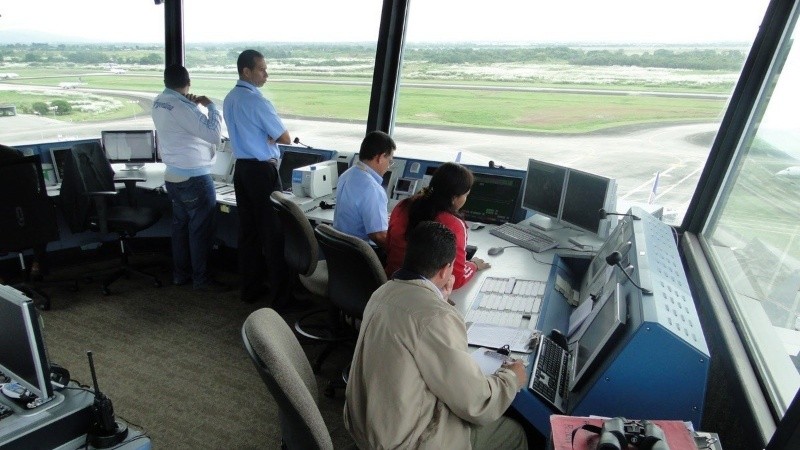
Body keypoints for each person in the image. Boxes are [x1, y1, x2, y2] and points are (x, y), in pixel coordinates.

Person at [344, 221, 528, 449]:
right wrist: (511, 379)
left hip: (370, 430)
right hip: (405, 442)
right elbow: (477, 404)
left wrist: (438, 299)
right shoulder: (434, 318)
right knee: (513, 432)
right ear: (445, 269)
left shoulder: (382, 292)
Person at [223, 49, 291, 304]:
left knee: (249, 233)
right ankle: (280, 298)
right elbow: (284, 137)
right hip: (262, 172)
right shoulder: (258, 101)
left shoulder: (230, 98)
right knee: (273, 234)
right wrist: (271, 136)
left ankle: (250, 290)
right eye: (262, 69)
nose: (266, 74)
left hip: (242, 170)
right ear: (246, 71)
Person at [151, 64, 226, 292]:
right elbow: (213, 134)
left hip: (173, 177)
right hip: (194, 178)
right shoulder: (183, 107)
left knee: (180, 228)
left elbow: (181, 127)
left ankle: (180, 275)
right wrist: (210, 106)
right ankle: (201, 280)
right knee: (199, 230)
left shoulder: (160, 101)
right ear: (188, 82)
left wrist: (191, 107)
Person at [384, 162, 490, 289]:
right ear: (454, 197)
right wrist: (473, 265)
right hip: (424, 293)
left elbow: (388, 248)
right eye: (466, 195)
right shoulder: (454, 224)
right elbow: (456, 280)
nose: (465, 199)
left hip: (392, 283)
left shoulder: (403, 205)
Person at [333, 130, 394, 249]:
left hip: (340, 248)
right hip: (360, 254)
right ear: (380, 157)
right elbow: (379, 236)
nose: (388, 166)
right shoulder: (373, 188)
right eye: (389, 160)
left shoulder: (347, 174)